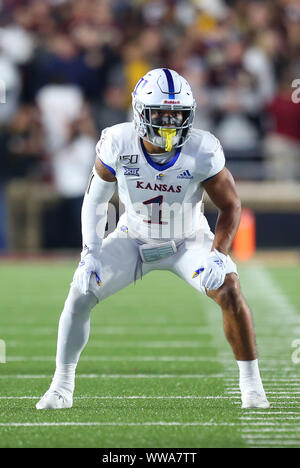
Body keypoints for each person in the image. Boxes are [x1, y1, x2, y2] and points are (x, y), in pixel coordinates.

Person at [36, 68, 269, 410]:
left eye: (178, 114)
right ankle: (61, 386)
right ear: (141, 112)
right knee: (79, 293)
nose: (170, 122)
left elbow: (231, 204)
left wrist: (219, 254)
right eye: (161, 113)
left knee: (230, 291)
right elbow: (96, 201)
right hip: (134, 237)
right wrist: (90, 253)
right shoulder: (118, 142)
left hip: (187, 240)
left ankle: (252, 387)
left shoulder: (202, 148)